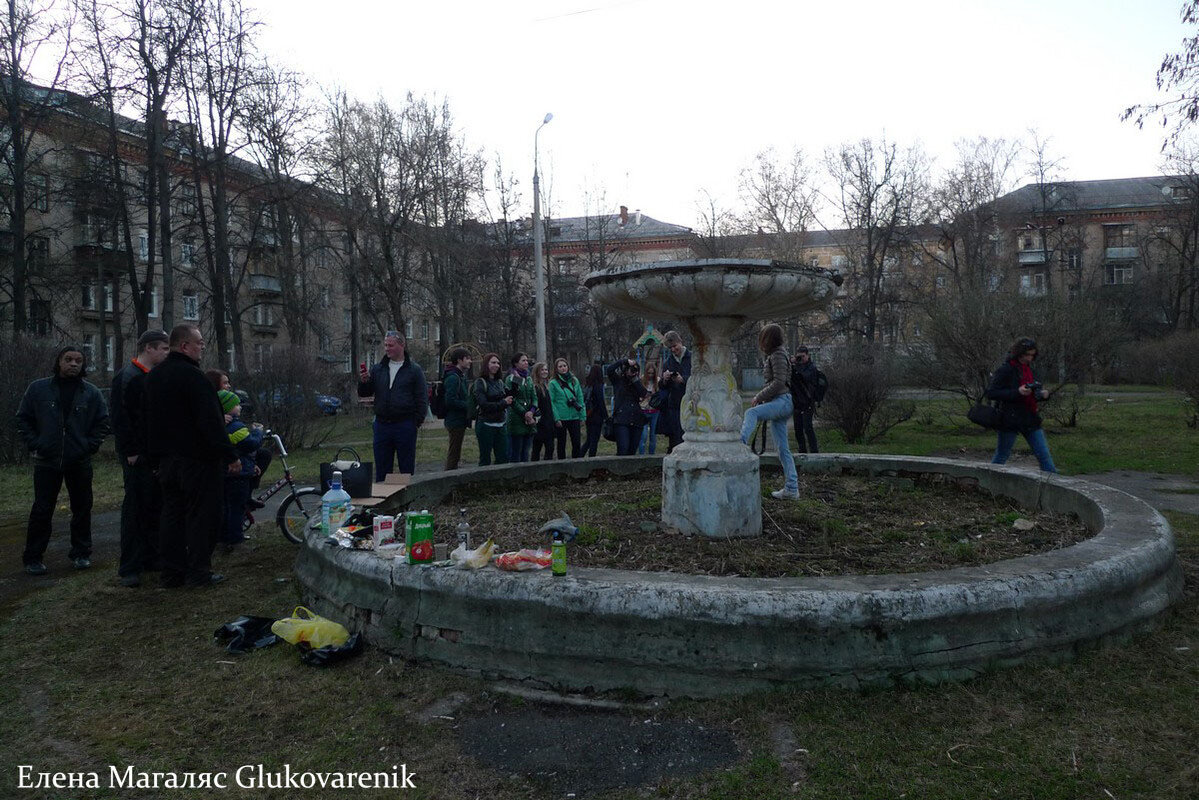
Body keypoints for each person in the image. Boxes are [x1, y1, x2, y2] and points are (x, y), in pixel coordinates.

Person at [144, 324, 239, 588]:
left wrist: (154, 458)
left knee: (171, 516)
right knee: (203, 516)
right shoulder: (194, 378)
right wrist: (229, 454)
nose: (202, 347)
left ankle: (172, 573)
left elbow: (148, 421)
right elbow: (211, 421)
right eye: (199, 343)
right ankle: (199, 572)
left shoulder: (153, 377)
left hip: (166, 461)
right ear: (184, 346)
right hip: (197, 460)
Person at [16, 345, 109, 576]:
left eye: (78, 360)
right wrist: (36, 443)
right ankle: (33, 558)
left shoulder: (91, 392)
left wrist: (89, 446)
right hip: (47, 460)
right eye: (68, 359)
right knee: (42, 509)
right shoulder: (38, 389)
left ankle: (81, 554)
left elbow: (103, 423)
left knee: (82, 507)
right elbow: (23, 419)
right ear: (59, 362)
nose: (73, 364)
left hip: (79, 460)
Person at [110, 329, 170, 587]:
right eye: (164, 349)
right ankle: (130, 567)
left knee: (155, 505)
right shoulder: (128, 377)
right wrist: (131, 450)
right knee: (135, 508)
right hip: (137, 456)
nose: (167, 353)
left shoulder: (153, 376)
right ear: (149, 349)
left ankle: (151, 557)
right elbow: (120, 417)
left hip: (154, 454)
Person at [740, 323, 800, 500]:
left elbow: (779, 382)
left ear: (769, 339)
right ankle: (791, 488)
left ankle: (740, 444)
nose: (761, 342)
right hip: (781, 401)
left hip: (783, 401)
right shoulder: (777, 354)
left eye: (763, 338)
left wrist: (759, 396)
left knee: (751, 413)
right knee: (782, 449)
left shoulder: (778, 354)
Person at [358, 330, 427, 481]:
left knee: (406, 469)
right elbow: (365, 393)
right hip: (382, 425)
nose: (387, 348)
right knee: (382, 469)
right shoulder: (378, 369)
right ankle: (382, 502)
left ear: (402, 345)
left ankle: (407, 501)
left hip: (405, 425)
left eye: (391, 345)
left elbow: (422, 398)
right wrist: (364, 382)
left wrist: (416, 422)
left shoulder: (414, 370)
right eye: (385, 345)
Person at [985, 337, 1057, 473]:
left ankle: (1055, 487)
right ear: (1019, 353)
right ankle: (988, 481)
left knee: (1044, 456)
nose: (1029, 358)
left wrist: (1042, 395)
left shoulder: (1030, 370)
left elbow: (1032, 394)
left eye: (1032, 355)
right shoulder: (1006, 370)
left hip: (1030, 418)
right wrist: (1017, 392)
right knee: (1002, 455)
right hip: (1009, 419)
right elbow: (991, 393)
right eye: (1026, 355)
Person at [205, 368, 270, 491]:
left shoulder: (227, 401)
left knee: (263, 454)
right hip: (222, 459)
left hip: (232, 454)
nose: (228, 386)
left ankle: (250, 488)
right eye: (225, 383)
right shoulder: (211, 404)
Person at [218, 390, 263, 550]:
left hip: (225, 473)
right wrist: (258, 432)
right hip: (239, 473)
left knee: (226, 507)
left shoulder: (222, 425)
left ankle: (224, 538)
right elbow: (250, 443)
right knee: (237, 507)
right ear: (228, 408)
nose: (239, 407)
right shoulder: (236, 426)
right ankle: (236, 540)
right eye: (236, 404)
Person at [474, 353, 511, 466]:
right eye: (493, 363)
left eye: (498, 363)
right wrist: (503, 403)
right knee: (485, 459)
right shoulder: (480, 382)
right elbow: (484, 404)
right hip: (486, 424)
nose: (496, 365)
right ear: (486, 364)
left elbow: (507, 397)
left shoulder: (500, 382)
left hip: (501, 424)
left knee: (503, 458)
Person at [607, 357, 648, 456]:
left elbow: (643, 393)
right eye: (631, 369)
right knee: (623, 449)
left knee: (632, 451)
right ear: (625, 370)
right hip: (622, 420)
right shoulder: (618, 381)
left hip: (636, 420)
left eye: (635, 370)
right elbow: (610, 370)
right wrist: (624, 361)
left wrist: (635, 379)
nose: (633, 371)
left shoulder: (636, 382)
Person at [660, 330, 691, 453]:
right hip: (675, 406)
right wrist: (665, 380)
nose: (673, 350)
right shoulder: (668, 362)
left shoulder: (692, 358)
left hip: (691, 404)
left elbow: (701, 379)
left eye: (674, 346)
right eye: (670, 348)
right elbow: (663, 387)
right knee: (676, 439)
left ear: (680, 342)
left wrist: (684, 379)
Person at [442, 347, 473, 471]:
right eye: (467, 359)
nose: (470, 361)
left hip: (459, 419)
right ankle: (449, 478)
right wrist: (468, 405)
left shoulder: (460, 376)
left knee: (456, 451)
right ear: (459, 360)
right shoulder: (454, 378)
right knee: (454, 453)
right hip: (455, 420)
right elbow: (450, 401)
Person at [548, 357, 585, 459]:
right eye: (560, 366)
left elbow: (580, 398)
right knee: (561, 444)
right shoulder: (553, 383)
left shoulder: (574, 381)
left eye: (565, 366)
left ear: (568, 367)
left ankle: (576, 464)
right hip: (561, 417)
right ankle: (562, 465)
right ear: (556, 369)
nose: (563, 368)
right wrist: (556, 418)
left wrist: (582, 416)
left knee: (577, 443)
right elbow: (552, 402)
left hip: (574, 416)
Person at [505, 353, 536, 463]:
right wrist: (525, 414)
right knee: (516, 452)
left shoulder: (528, 378)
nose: (526, 363)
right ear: (516, 363)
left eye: (527, 360)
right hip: (517, 418)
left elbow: (534, 397)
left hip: (529, 418)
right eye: (523, 361)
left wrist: (532, 411)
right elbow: (512, 399)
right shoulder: (513, 378)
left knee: (526, 452)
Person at [790, 345, 820, 454]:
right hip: (797, 401)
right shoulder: (796, 366)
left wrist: (796, 365)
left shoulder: (811, 367)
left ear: (807, 355)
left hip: (808, 401)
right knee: (798, 428)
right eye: (798, 357)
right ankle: (802, 450)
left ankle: (814, 451)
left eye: (802, 356)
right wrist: (791, 364)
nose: (801, 359)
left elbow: (805, 377)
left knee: (808, 427)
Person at [530, 361, 556, 462]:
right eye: (542, 370)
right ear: (537, 371)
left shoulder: (547, 385)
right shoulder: (536, 387)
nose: (545, 372)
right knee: (537, 448)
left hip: (549, 421)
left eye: (546, 369)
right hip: (541, 422)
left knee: (550, 448)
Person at [580, 363, 608, 457]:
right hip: (597, 415)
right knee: (594, 440)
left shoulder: (588, 385)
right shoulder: (598, 386)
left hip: (589, 415)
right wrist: (606, 417)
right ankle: (592, 459)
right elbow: (601, 402)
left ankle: (579, 456)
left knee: (589, 439)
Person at [637, 362, 662, 455]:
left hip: (654, 411)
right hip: (643, 410)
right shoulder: (642, 380)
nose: (650, 375)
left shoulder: (658, 381)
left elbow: (660, 395)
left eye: (652, 373)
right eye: (649, 373)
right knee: (643, 436)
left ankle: (651, 455)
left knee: (653, 436)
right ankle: (641, 456)